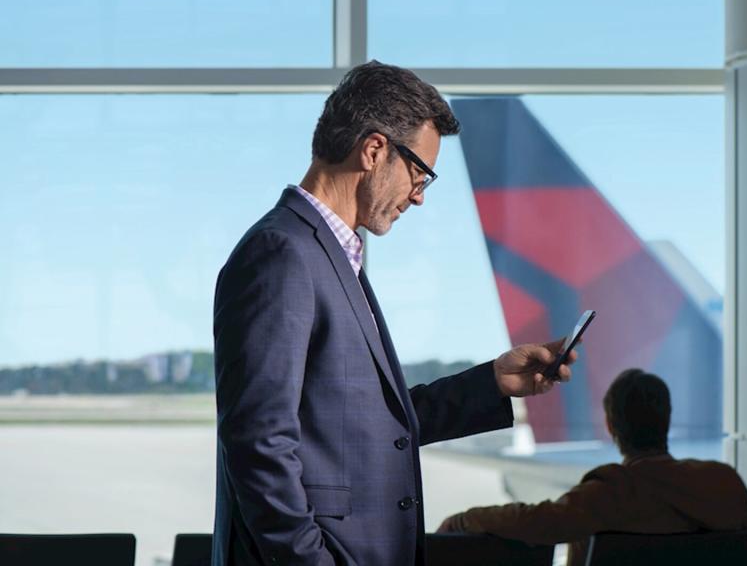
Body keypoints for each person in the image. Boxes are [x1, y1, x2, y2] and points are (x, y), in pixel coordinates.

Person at [211, 60, 575, 566]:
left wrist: (492, 383)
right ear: (375, 149)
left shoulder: (332, 254)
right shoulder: (282, 253)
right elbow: (258, 444)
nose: (420, 196)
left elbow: (370, 425)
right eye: (420, 172)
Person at [439, 369, 747, 566]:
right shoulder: (725, 483)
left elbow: (537, 521)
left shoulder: (614, 491)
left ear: (610, 426)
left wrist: (466, 519)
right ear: (667, 420)